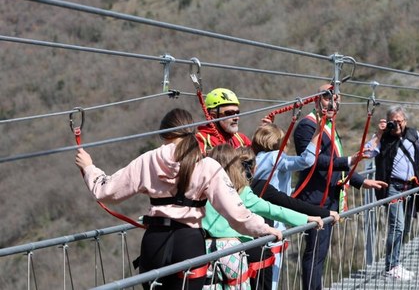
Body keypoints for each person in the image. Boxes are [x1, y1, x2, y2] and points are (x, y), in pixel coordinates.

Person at [74, 108, 282, 290]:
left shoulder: (148, 160)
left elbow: (106, 191)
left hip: (155, 243)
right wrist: (265, 229)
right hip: (188, 243)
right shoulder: (207, 165)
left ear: (165, 134)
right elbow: (237, 214)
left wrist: (88, 167)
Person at [293, 83, 388, 290]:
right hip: (314, 199)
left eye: (336, 98)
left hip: (329, 198)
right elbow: (313, 161)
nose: (332, 102)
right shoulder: (307, 126)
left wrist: (360, 181)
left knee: (320, 254)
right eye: (327, 97)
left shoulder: (329, 125)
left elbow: (335, 164)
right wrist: (348, 161)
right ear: (317, 99)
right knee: (315, 253)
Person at [203, 144, 329, 290]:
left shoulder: (202, 192)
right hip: (232, 251)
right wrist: (306, 219)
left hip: (206, 251)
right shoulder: (241, 192)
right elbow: (274, 211)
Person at [364, 105, 419, 281]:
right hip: (392, 189)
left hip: (411, 187)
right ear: (387, 122)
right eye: (392, 121)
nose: (396, 125)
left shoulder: (413, 135)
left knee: (405, 228)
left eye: (399, 121)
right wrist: (379, 134)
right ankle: (391, 266)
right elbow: (367, 152)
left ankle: (396, 263)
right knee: (397, 226)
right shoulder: (383, 137)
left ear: (405, 121)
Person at [197, 87, 253, 152]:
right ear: (213, 116)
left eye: (237, 112)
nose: (236, 117)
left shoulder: (242, 139)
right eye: (229, 113)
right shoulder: (201, 139)